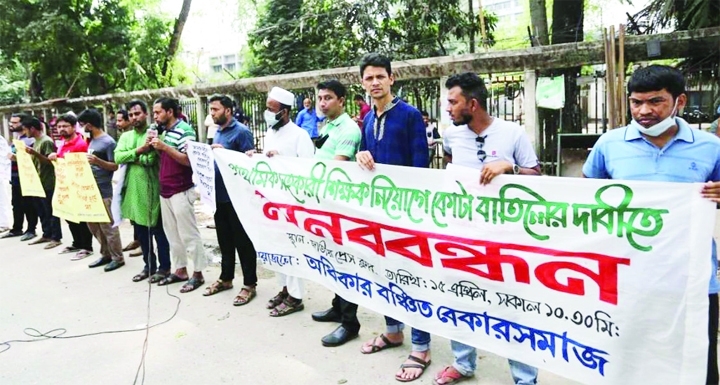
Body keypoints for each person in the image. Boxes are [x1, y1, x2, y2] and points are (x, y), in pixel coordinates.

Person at [583, 65, 720, 385]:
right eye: (636, 102)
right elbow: (585, 197)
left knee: (698, 362)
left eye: (655, 101)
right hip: (627, 278)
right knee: (628, 359)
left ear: (679, 101)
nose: (644, 111)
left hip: (693, 281)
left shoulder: (710, 147)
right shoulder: (609, 144)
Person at [432, 72, 541, 385]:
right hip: (461, 234)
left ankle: (524, 378)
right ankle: (463, 363)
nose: (448, 109)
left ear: (473, 104)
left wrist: (508, 168)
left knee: (512, 307)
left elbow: (535, 176)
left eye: (453, 102)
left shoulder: (512, 133)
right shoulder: (451, 135)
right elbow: (450, 170)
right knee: (460, 298)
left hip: (504, 237)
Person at [353, 53, 432, 382]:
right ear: (362, 83)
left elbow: (421, 168)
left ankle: (422, 346)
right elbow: (365, 156)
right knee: (384, 273)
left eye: (380, 77)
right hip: (377, 211)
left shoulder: (410, 115)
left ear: (391, 78)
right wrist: (361, 154)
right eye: (368, 78)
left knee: (414, 278)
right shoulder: (368, 120)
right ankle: (393, 331)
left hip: (408, 214)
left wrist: (415, 214)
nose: (375, 83)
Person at [247, 87, 315, 316]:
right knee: (277, 249)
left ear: (284, 112)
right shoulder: (271, 132)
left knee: (293, 251)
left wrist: (282, 161)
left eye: (271, 109)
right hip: (271, 204)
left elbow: (308, 170)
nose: (267, 113)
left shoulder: (300, 135)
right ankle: (285, 289)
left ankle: (296, 297)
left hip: (292, 204)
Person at [309, 80, 363, 347]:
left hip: (341, 206)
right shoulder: (327, 125)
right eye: (320, 98)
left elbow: (336, 168)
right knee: (332, 259)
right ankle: (337, 307)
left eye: (328, 98)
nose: (322, 102)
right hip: (324, 203)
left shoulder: (349, 130)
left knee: (345, 262)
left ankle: (349, 323)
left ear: (342, 100)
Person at [202, 95, 258, 306]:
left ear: (227, 110)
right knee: (224, 241)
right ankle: (226, 279)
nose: (212, 113)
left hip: (237, 199)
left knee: (243, 242)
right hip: (219, 197)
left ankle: (249, 284)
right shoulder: (217, 132)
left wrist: (226, 154)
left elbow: (248, 164)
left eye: (215, 109)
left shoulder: (242, 132)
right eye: (211, 110)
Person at [149, 97, 207, 293]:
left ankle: (198, 273)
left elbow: (189, 161)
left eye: (158, 112)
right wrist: (158, 147)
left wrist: (164, 146)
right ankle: (180, 269)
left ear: (170, 112)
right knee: (172, 234)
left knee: (189, 234)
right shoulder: (163, 131)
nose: (155, 116)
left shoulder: (186, 131)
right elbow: (166, 159)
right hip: (165, 189)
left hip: (181, 189)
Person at [115, 99, 171, 283]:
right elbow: (118, 157)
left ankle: (164, 268)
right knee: (141, 233)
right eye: (131, 115)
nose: (134, 117)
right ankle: (148, 266)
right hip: (133, 193)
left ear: (146, 114)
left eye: (137, 113)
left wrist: (135, 156)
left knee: (158, 232)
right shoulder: (125, 137)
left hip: (153, 191)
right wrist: (140, 150)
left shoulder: (155, 134)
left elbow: (151, 160)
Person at [76, 109, 124, 272]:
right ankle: (105, 254)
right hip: (90, 189)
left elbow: (115, 165)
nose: (81, 128)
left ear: (89, 125)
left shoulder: (108, 142)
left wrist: (97, 161)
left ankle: (118, 257)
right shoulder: (91, 140)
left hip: (103, 189)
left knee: (108, 226)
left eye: (83, 125)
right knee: (94, 225)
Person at [47, 114, 94, 260]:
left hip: (78, 186)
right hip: (65, 186)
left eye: (65, 126)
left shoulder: (81, 144)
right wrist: (55, 156)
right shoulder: (62, 143)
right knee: (69, 215)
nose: (61, 129)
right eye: (59, 126)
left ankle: (87, 246)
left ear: (74, 127)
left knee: (81, 217)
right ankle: (77, 243)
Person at [21, 116, 62, 249]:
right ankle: (47, 233)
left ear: (32, 128)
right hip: (38, 182)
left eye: (26, 129)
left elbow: (50, 161)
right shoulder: (36, 141)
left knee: (51, 211)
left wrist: (35, 153)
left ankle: (56, 237)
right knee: (42, 211)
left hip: (48, 181)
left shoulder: (46, 141)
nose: (25, 132)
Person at [2, 113, 38, 241]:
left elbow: (32, 159)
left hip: (26, 177)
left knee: (28, 204)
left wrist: (16, 158)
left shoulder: (30, 140)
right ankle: (16, 228)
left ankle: (31, 229)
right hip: (15, 176)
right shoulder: (17, 138)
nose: (12, 125)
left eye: (15, 122)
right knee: (16, 204)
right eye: (11, 122)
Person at [115, 109, 142, 256]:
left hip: (141, 180)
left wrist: (130, 156)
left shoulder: (139, 136)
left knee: (141, 214)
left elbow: (146, 158)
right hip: (127, 178)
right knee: (132, 212)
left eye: (120, 120)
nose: (118, 123)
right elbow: (118, 157)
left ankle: (143, 244)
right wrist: (132, 157)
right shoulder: (125, 137)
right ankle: (136, 240)